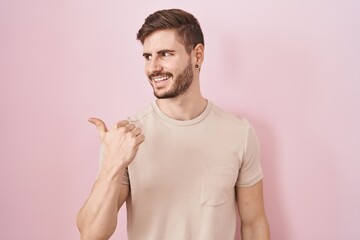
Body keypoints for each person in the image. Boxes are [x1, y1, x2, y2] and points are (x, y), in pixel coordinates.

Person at [77, 8, 270, 240]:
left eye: (165, 54)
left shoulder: (239, 133)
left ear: (197, 55)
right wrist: (112, 165)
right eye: (148, 56)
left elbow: (254, 223)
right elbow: (90, 234)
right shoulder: (126, 137)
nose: (153, 67)